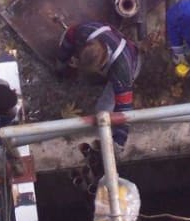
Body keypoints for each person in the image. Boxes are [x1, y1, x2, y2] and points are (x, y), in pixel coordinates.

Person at [55, 22, 140, 151]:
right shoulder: (86, 30)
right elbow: (69, 36)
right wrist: (61, 62)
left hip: (132, 61)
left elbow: (123, 109)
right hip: (113, 51)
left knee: (103, 109)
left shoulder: (122, 71)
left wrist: (119, 140)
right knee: (62, 41)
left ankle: (104, 134)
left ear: (102, 67)